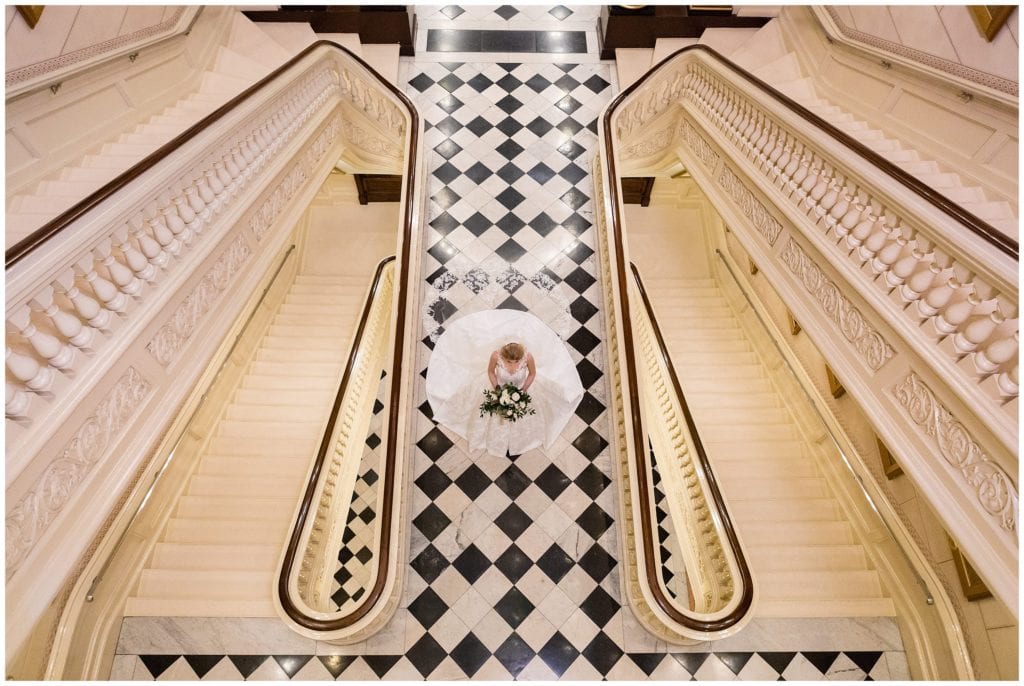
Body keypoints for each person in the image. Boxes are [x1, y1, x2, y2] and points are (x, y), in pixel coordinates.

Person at [425, 310, 584, 458]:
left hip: (522, 388)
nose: (512, 363)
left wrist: (524, 389)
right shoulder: (496, 356)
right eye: (509, 360)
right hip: (498, 386)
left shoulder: (528, 357)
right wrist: (497, 388)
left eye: (515, 361)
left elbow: (533, 373)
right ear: (503, 355)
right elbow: (490, 372)